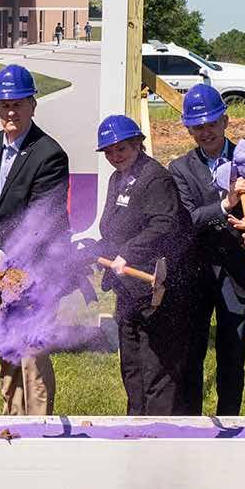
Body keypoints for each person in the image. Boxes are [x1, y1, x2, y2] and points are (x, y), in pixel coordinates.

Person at [168, 84, 245, 415]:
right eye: (197, 126)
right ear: (189, 129)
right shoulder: (180, 168)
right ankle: (192, 424)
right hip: (196, 271)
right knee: (191, 352)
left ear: (225, 121)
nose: (206, 132)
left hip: (237, 271)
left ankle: (230, 420)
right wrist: (226, 204)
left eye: (211, 124)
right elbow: (187, 220)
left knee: (232, 353)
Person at [0, 64, 70, 415]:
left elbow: (42, 221)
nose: (10, 112)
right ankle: (13, 425)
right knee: (6, 352)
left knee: (32, 356)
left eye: (17, 104)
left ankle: (39, 429)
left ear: (33, 104)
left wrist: (5, 253)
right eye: (4, 105)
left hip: (36, 274)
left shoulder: (49, 154)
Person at [90, 115, 197, 415]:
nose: (115, 156)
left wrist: (129, 253)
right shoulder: (117, 179)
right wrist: (97, 248)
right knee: (132, 367)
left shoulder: (156, 178)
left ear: (138, 144)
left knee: (156, 370)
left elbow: (165, 223)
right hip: (128, 291)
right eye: (109, 152)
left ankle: (158, 432)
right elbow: (113, 229)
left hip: (156, 290)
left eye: (121, 149)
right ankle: (134, 426)